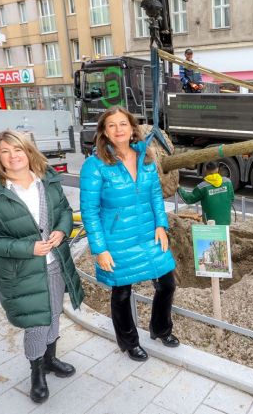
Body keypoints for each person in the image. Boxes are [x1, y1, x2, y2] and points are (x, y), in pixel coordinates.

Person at [0, 130, 84, 404]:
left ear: (28, 151)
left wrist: (61, 231)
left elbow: (65, 212)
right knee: (36, 324)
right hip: (22, 272)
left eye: (17, 149)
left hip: (56, 265)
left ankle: (51, 359)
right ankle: (36, 372)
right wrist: (27, 248)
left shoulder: (47, 181)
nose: (13, 156)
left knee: (54, 315)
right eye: (5, 151)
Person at [80, 106, 179, 363]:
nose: (118, 129)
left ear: (132, 128)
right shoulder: (95, 165)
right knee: (122, 292)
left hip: (149, 233)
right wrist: (100, 249)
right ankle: (129, 342)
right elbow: (89, 211)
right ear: (104, 131)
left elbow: (155, 195)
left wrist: (161, 225)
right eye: (111, 125)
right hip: (117, 239)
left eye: (123, 124)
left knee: (167, 283)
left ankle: (160, 329)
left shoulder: (145, 155)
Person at [177, 161, 235, 225]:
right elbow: (231, 199)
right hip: (226, 222)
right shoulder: (227, 182)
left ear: (206, 171)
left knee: (212, 235)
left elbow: (188, 199)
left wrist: (178, 187)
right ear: (217, 169)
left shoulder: (202, 187)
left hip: (210, 223)